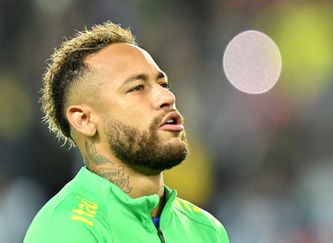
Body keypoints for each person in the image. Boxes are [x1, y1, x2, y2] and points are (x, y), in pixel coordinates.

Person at [24, 22, 229, 243]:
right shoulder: (66, 229)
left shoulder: (207, 230)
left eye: (163, 84)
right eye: (137, 88)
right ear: (84, 119)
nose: (167, 98)